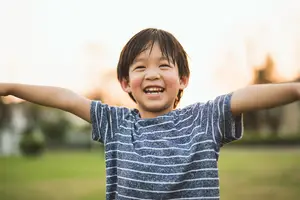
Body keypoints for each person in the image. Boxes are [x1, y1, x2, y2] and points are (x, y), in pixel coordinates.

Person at [1, 28, 299, 200]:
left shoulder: (203, 119)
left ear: (183, 80)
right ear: (125, 83)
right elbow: (65, 98)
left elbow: (244, 97)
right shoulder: (115, 123)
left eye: (164, 65)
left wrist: (296, 90)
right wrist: (10, 87)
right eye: (140, 67)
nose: (152, 74)